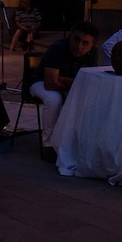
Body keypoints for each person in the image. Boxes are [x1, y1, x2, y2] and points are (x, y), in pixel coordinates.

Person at [29, 21, 100, 158]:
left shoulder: (93, 54)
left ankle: (76, 141)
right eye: (76, 39)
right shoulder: (57, 48)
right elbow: (50, 83)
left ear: (91, 46)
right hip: (39, 82)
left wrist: (62, 79)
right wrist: (72, 83)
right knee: (54, 99)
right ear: (70, 36)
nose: (79, 46)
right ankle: (48, 144)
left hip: (64, 85)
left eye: (85, 43)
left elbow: (88, 81)